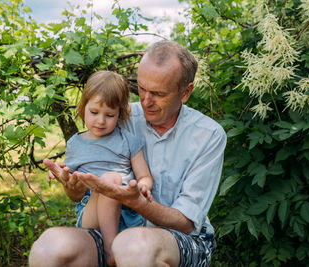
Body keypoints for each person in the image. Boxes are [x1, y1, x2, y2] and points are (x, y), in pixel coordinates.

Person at [29, 40, 227, 267]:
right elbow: (84, 192)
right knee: (48, 248)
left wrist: (137, 202)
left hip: (182, 238)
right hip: (117, 228)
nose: (145, 101)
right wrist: (73, 188)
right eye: (141, 88)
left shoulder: (208, 135)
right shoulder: (118, 116)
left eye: (158, 93)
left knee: (133, 247)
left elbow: (186, 222)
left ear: (186, 92)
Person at [42, 70, 153, 266]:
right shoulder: (76, 143)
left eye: (109, 115)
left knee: (113, 181)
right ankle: (110, 249)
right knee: (110, 180)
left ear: (120, 113)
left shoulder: (128, 140)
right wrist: (57, 172)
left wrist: (143, 187)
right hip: (90, 210)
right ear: (83, 107)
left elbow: (144, 175)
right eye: (94, 112)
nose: (101, 121)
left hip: (126, 210)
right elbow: (68, 172)